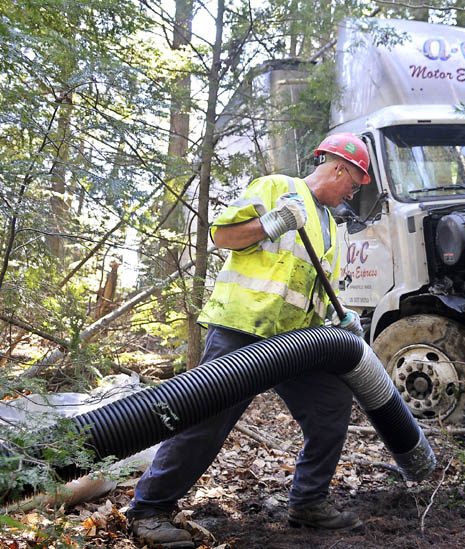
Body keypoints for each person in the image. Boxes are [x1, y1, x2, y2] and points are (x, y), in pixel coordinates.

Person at [127, 133, 372, 548]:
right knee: (206, 417)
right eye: (353, 181)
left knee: (331, 406)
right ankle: (148, 510)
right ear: (336, 168)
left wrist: (339, 317)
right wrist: (271, 222)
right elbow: (222, 237)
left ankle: (308, 502)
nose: (353, 191)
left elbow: (312, 286)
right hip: (243, 329)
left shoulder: (331, 225)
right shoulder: (278, 187)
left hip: (297, 342)